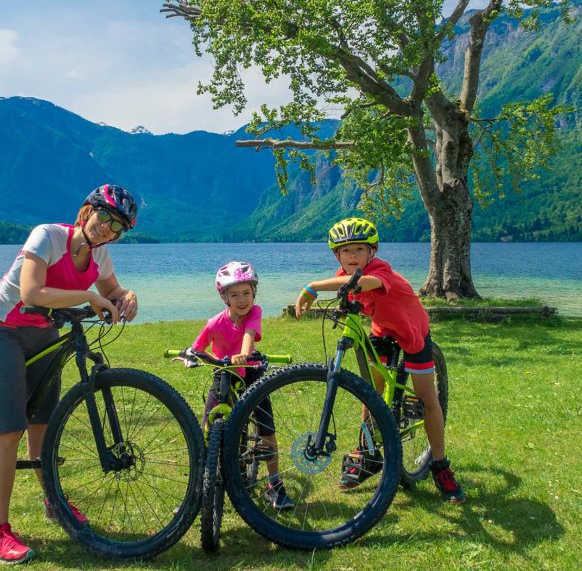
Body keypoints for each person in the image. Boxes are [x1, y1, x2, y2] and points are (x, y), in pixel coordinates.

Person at [0, 184, 140, 564]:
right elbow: (31, 292)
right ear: (87, 211)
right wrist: (89, 297)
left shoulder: (101, 256)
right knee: (8, 429)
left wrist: (126, 296)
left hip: (44, 333)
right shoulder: (48, 235)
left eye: (118, 226)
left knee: (43, 425)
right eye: (104, 217)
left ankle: (54, 503)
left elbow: (111, 289)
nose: (107, 229)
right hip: (0, 328)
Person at [294, 217, 466, 504]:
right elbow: (351, 293)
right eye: (345, 251)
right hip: (382, 331)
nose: (352, 256)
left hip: (412, 333)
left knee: (428, 399)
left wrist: (312, 287)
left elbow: (367, 283)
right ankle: (368, 452)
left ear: (371, 253)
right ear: (337, 255)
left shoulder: (378, 271)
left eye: (359, 250)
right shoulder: (343, 275)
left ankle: (439, 464)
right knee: (370, 393)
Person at [187, 260, 295, 511]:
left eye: (247, 293)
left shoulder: (255, 312)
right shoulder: (214, 322)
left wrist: (244, 354)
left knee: (266, 427)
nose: (242, 299)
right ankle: (200, 485)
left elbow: (249, 333)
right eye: (234, 294)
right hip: (223, 373)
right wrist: (190, 355)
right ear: (224, 297)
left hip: (251, 371)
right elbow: (198, 346)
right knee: (207, 427)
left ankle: (274, 484)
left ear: (254, 293)